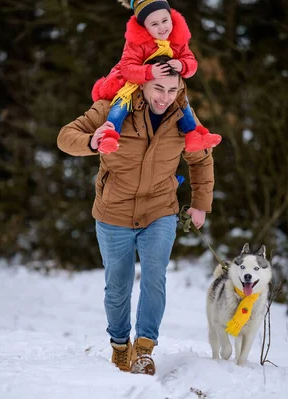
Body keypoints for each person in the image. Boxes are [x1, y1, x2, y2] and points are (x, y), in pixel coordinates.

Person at [57, 55, 214, 375]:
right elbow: (65, 136)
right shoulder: (112, 108)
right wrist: (91, 141)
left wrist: (200, 204)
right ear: (142, 83)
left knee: (155, 277)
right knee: (118, 285)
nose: (164, 97)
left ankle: (144, 349)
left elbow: (200, 159)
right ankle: (119, 347)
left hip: (160, 210)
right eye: (158, 88)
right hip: (114, 211)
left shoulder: (182, 115)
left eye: (172, 89)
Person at [91, 0, 221, 154]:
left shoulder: (177, 40)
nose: (162, 27)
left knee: (182, 101)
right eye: (154, 24)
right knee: (121, 105)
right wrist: (149, 72)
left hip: (167, 83)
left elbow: (191, 62)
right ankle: (109, 135)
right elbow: (126, 68)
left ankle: (192, 135)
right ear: (144, 27)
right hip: (134, 84)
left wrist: (183, 65)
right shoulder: (136, 43)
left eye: (165, 21)